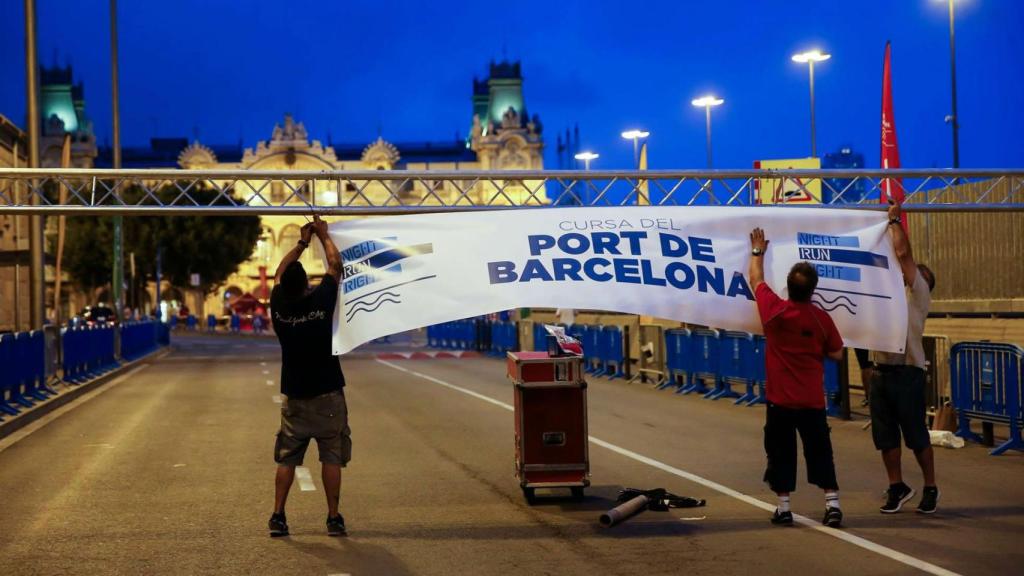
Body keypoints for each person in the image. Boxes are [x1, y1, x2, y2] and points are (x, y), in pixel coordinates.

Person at [748, 228, 845, 528]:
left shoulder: (774, 312)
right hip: (812, 402)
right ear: (813, 290)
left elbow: (755, 279)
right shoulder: (822, 319)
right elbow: (838, 354)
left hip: (781, 402)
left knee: (780, 453)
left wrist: (757, 251)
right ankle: (832, 504)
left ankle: (784, 507)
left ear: (788, 287)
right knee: (820, 452)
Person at [267, 214, 349, 537]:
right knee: (331, 456)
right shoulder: (321, 301)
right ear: (305, 286)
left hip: (296, 397)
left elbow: (277, 273)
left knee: (287, 459)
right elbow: (335, 266)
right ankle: (333, 517)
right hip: (328, 393)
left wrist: (301, 242)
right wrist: (323, 236)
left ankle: (278, 515)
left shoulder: (279, 309)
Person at [868, 201, 939, 514]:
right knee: (885, 438)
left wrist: (894, 221)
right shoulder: (889, 293)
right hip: (881, 371)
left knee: (916, 435)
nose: (905, 273)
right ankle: (896, 486)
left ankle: (931, 487)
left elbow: (903, 255)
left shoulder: (918, 293)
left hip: (907, 372)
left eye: (913, 273)